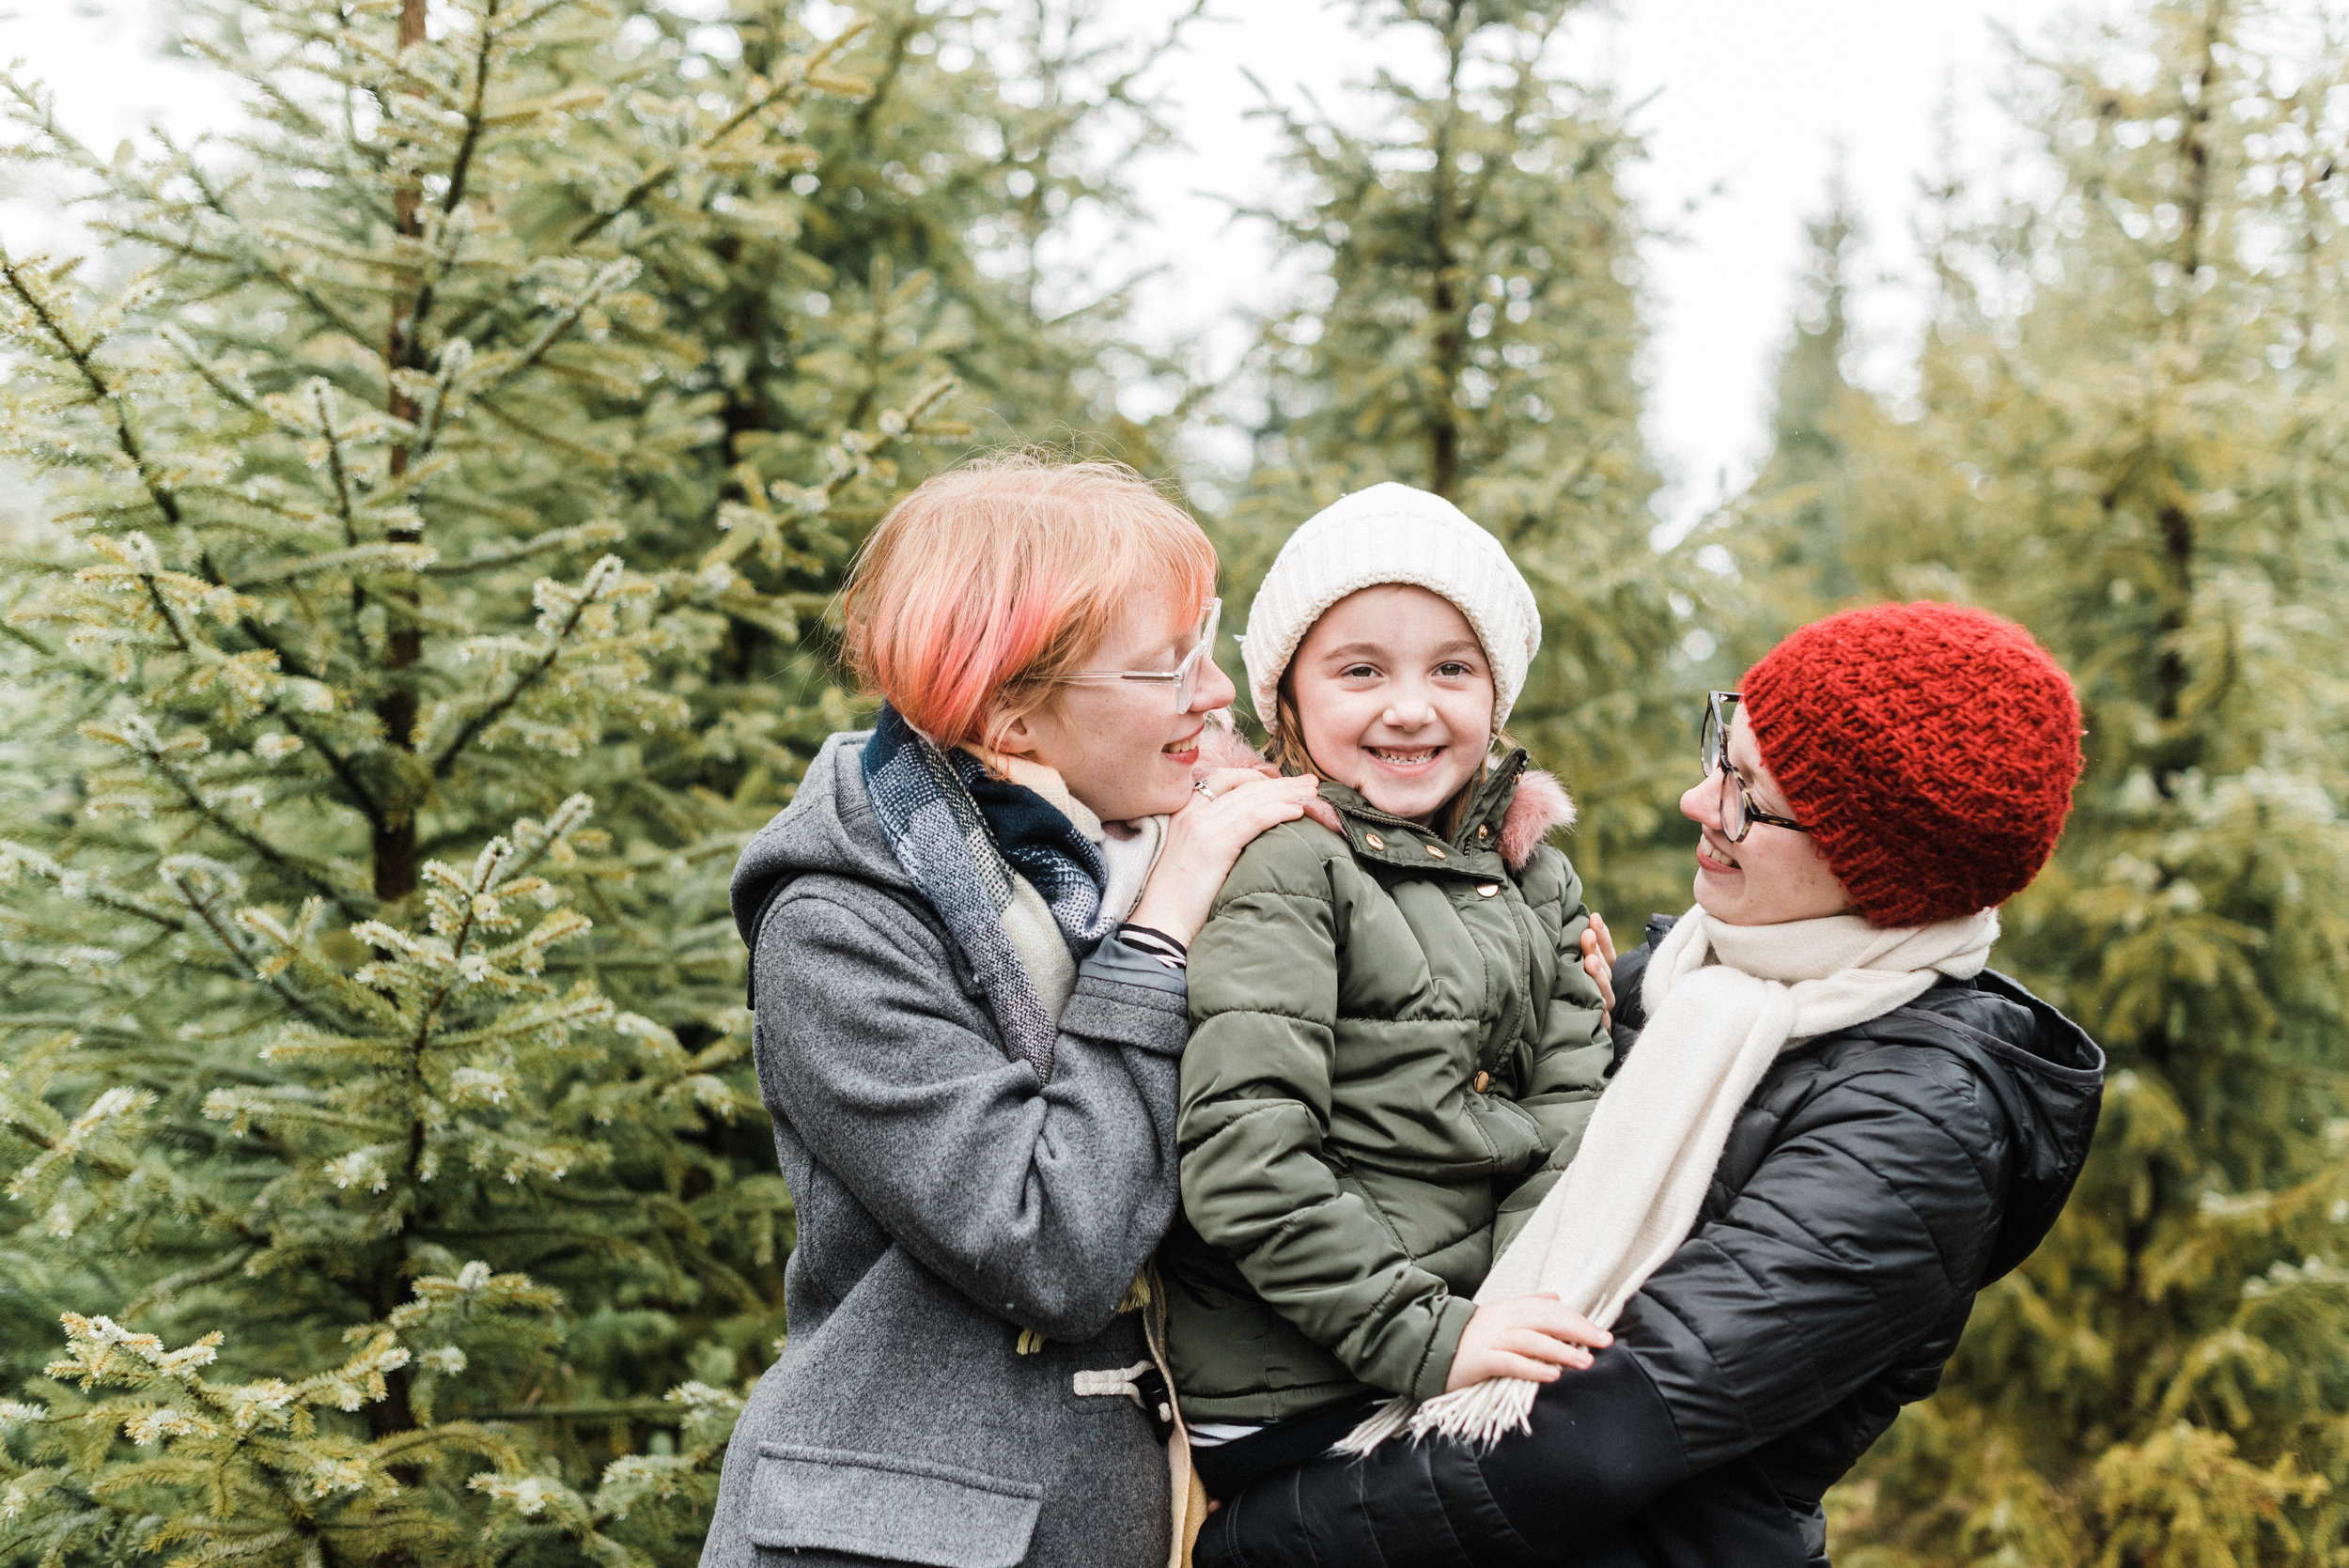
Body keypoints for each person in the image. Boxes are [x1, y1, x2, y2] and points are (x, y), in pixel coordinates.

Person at [1191, 599, 2108, 1568]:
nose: (1698, 802)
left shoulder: (1917, 1127)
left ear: (1876, 866)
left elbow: (1589, 1438)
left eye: (1749, 797)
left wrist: (1238, 1542)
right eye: (1724, 753)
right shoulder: (1679, 986)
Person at [699, 456, 1320, 1568]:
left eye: (1206, 641)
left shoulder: (1152, 849)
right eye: (1165, 665)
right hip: (897, 1543)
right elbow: (1050, 1242)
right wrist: (1159, 938)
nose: (1215, 692)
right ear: (1013, 717)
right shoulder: (838, 926)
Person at [1160, 482, 1617, 1508]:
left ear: (1496, 694)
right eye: (1361, 669)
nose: (1410, 707)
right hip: (1298, 1387)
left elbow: (1567, 1118)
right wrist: (1436, 1338)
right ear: (1288, 698)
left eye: (1451, 668)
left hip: (1460, 1339)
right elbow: (1246, 1156)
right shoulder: (1288, 863)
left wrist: (1518, 1306)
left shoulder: (1534, 878)